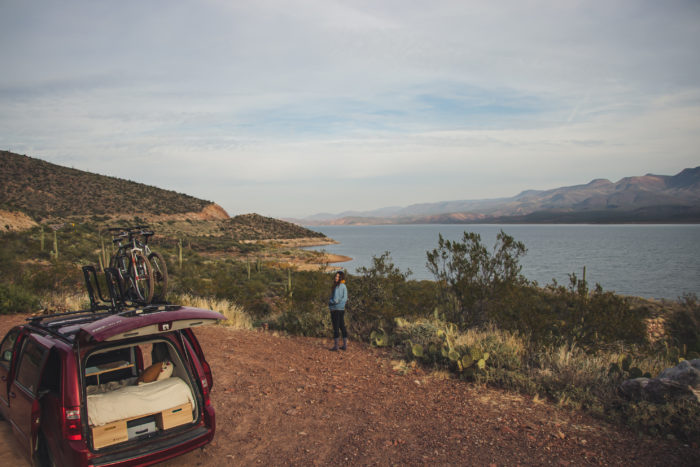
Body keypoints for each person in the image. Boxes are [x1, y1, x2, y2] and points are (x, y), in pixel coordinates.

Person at [328, 270, 348, 351]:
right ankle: (344, 345)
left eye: (337, 276)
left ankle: (336, 346)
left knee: (336, 327)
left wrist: (330, 302)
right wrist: (341, 304)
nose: (335, 277)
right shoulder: (344, 286)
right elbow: (345, 298)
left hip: (335, 309)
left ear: (340, 277)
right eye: (335, 276)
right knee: (342, 326)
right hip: (341, 309)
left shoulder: (337, 286)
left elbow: (335, 300)